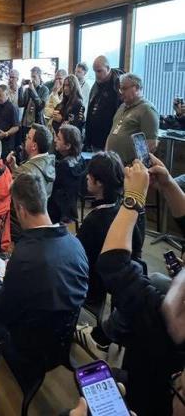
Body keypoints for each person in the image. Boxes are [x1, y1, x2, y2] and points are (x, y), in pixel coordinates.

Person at [91, 160, 185, 416]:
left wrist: (132, 199)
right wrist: (168, 185)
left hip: (148, 394)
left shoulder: (164, 316)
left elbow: (113, 264)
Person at [0, 173, 88, 380]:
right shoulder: (75, 244)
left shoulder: (24, 255)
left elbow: (2, 309)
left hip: (28, 350)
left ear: (21, 209)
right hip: (61, 339)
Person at [74, 151, 143, 359]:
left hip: (93, 283)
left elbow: (77, 257)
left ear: (100, 183)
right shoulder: (127, 212)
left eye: (90, 176)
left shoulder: (94, 221)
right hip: (122, 280)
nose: (87, 178)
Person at [106, 73, 159, 165]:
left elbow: (151, 144)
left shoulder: (147, 109)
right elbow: (113, 132)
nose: (121, 92)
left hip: (130, 167)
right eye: (121, 89)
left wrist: (134, 166)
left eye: (124, 88)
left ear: (137, 88)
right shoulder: (122, 107)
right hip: (112, 163)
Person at [85, 55, 123, 152]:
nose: (96, 74)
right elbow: (90, 111)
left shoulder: (118, 86)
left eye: (99, 71)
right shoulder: (96, 85)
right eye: (94, 71)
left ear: (108, 68)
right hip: (95, 138)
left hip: (110, 138)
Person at [48, 125, 84, 224]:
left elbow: (53, 187)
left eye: (59, 139)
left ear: (68, 146)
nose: (55, 140)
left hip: (58, 212)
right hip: (71, 207)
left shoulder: (64, 166)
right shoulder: (80, 160)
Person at [17, 66, 49, 143]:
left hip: (36, 124)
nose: (32, 79)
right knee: (24, 145)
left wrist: (33, 91)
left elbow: (40, 106)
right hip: (25, 124)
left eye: (34, 77)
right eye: (31, 77)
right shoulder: (28, 89)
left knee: (34, 145)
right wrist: (21, 88)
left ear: (40, 77)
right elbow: (20, 104)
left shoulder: (44, 89)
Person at [0, 84, 20, 160]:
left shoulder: (12, 108)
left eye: (0, 95)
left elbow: (16, 127)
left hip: (7, 143)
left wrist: (6, 133)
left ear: (7, 95)